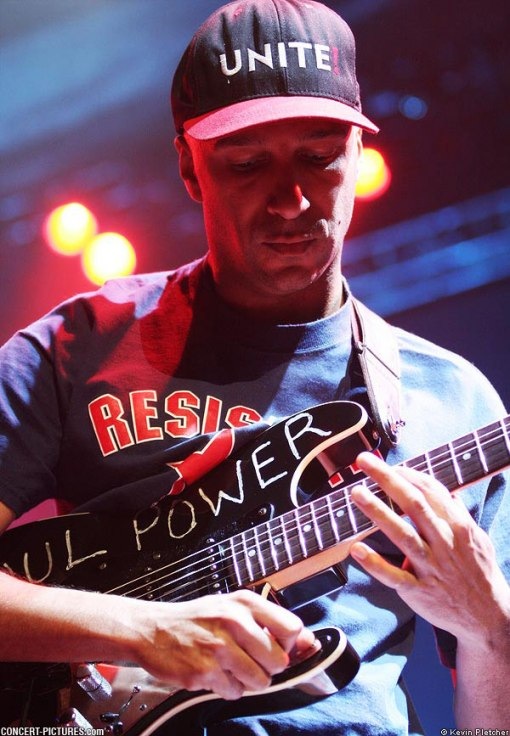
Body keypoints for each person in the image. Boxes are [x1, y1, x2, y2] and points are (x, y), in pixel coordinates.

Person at [0, 0, 509, 732]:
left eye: (319, 156)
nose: (292, 200)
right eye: (247, 163)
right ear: (189, 166)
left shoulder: (450, 401)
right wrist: (141, 632)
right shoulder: (77, 346)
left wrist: (493, 630)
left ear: (357, 152)